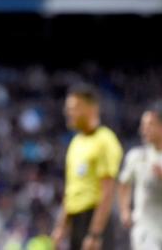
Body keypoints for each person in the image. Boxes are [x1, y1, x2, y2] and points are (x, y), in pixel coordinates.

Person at [51, 84, 123, 250]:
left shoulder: (105, 140)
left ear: (92, 109)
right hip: (76, 221)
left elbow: (107, 192)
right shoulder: (75, 143)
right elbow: (71, 191)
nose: (68, 112)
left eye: (74, 108)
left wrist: (95, 234)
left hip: (94, 219)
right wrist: (61, 227)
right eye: (68, 108)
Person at [118, 105, 162, 250]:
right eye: (143, 125)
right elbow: (123, 184)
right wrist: (125, 210)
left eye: (150, 124)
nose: (144, 129)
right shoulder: (137, 156)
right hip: (145, 228)